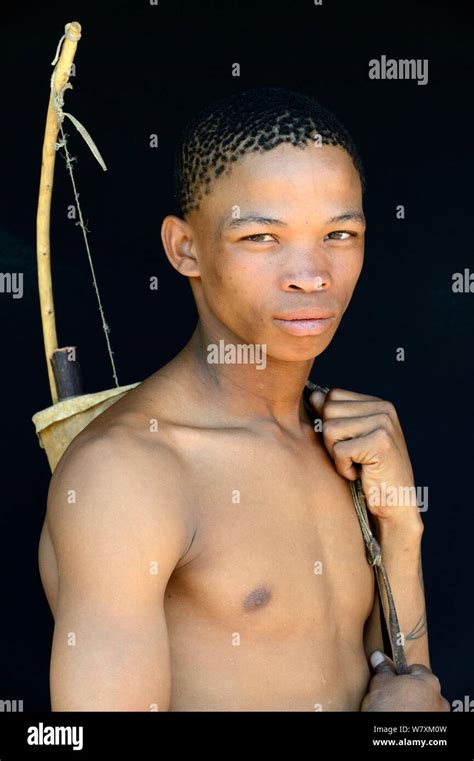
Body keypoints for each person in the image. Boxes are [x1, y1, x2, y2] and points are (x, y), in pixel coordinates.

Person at [38, 87, 450, 712]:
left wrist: (400, 530)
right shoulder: (128, 474)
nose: (311, 274)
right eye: (262, 238)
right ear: (186, 249)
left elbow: (406, 690)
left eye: (339, 233)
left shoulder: (350, 439)